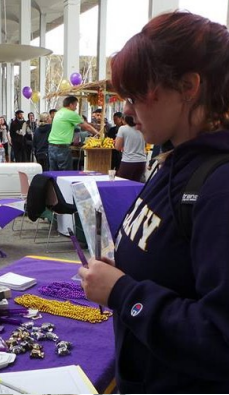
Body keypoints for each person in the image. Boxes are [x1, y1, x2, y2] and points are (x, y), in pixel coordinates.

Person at [78, 11, 229, 393]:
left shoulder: (219, 186)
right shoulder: (174, 158)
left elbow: (220, 339)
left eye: (136, 95)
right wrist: (127, 270)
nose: (127, 111)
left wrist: (124, 292)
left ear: (189, 86)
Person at [48, 96, 98, 171]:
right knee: (65, 174)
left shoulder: (58, 113)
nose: (76, 108)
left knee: (54, 173)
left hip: (51, 147)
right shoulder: (71, 114)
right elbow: (87, 127)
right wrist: (98, 133)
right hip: (62, 148)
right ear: (71, 105)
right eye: (75, 105)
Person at [115, 115, 146, 182]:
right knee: (136, 185)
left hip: (128, 161)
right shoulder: (142, 128)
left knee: (123, 185)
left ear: (125, 120)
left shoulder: (122, 129)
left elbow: (118, 147)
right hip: (141, 161)